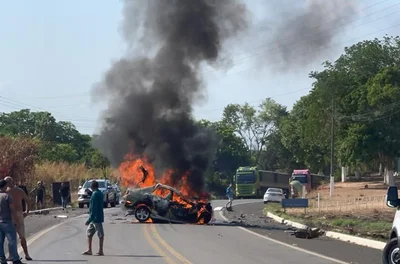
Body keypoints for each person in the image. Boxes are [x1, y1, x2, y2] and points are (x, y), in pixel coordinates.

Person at [4, 177, 32, 261]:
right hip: (19, 214)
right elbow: (28, 200)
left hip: (10, 215)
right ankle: (27, 254)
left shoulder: (6, 192)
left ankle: (10, 256)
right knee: (22, 236)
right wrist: (27, 211)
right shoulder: (20, 191)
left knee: (11, 236)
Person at [0, 179, 23, 264]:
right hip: (7, 222)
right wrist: (16, 221)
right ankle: (15, 259)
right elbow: (12, 209)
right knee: (12, 240)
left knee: (0, 242)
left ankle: (2, 260)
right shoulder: (7, 196)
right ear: (5, 186)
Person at [82, 180, 104, 256]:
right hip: (98, 216)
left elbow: (93, 208)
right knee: (89, 233)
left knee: (100, 234)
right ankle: (89, 250)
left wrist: (89, 220)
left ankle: (101, 250)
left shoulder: (94, 195)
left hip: (95, 218)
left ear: (92, 187)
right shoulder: (100, 193)